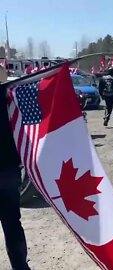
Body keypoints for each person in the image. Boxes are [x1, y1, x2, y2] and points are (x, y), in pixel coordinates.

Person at [0, 68, 32, 270]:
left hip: (8, 169)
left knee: (12, 223)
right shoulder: (10, 98)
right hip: (8, 169)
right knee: (12, 223)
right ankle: (20, 266)